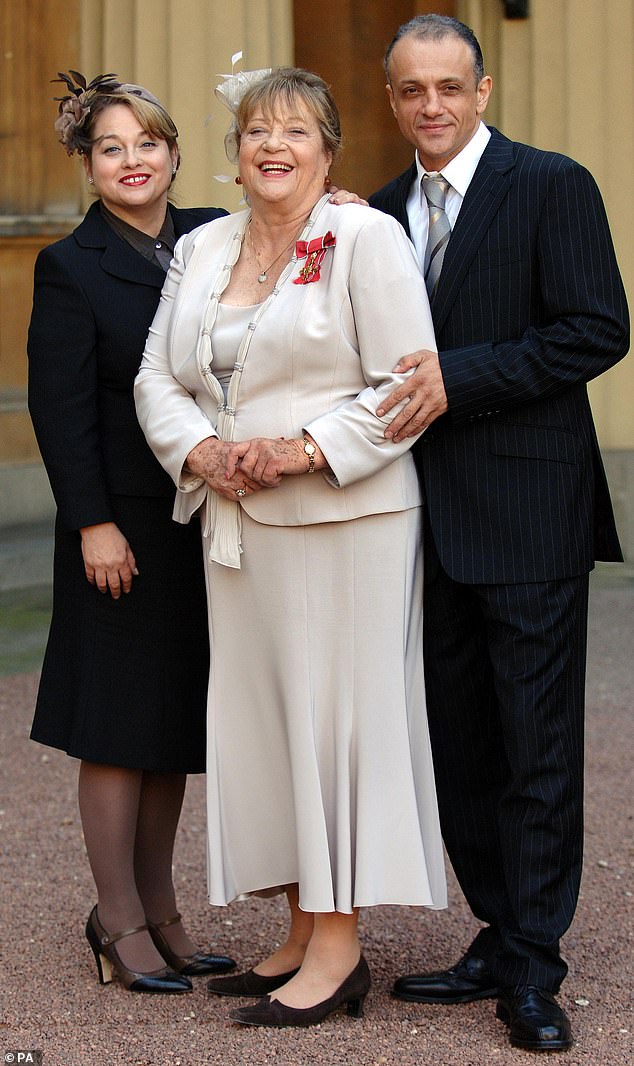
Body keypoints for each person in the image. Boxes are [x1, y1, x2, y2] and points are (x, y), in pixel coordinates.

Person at [134, 66, 447, 1029]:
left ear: (328, 149)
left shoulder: (365, 236)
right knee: (271, 727)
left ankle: (342, 947)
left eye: (296, 131)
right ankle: (304, 930)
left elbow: (405, 387)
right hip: (238, 525)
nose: (273, 145)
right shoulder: (202, 245)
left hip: (348, 525)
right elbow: (158, 377)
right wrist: (206, 451)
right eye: (256, 130)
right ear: (233, 154)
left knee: (337, 727)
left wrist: (304, 448)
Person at [368, 14, 629, 1053]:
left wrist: (457, 380)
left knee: (535, 749)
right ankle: (494, 924)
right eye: (409, 90)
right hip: (416, 522)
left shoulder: (550, 183)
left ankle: (532, 964)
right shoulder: (381, 211)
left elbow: (595, 327)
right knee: (459, 745)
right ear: (391, 102)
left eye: (447, 86)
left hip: (525, 513)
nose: (429, 105)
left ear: (481, 90)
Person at [27, 72, 238, 993]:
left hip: (195, 519)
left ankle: (164, 912)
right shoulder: (70, 266)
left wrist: (340, 204)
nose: (132, 161)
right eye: (110, 148)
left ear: (174, 152)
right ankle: (117, 921)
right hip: (117, 529)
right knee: (116, 727)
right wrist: (94, 524)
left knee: (169, 723)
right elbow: (59, 409)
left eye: (146, 143)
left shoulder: (210, 239)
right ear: (88, 164)